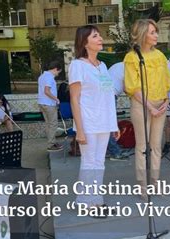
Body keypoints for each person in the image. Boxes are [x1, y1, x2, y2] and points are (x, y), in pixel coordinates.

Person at [68, 25, 119, 217]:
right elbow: (75, 99)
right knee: (89, 163)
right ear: (84, 42)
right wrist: (79, 130)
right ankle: (86, 202)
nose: (100, 39)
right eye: (95, 36)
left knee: (99, 163)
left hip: (104, 122)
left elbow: (107, 96)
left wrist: (113, 124)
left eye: (99, 35)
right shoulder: (77, 66)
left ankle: (95, 201)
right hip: (88, 122)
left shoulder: (102, 66)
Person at [124, 19, 170, 200]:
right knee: (142, 146)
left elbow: (167, 81)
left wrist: (165, 101)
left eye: (156, 32)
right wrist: (151, 107)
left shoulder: (160, 55)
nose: (156, 35)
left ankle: (155, 181)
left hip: (160, 104)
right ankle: (142, 185)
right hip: (141, 105)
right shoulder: (131, 57)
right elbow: (133, 86)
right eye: (152, 32)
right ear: (143, 34)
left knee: (156, 146)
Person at [107, 62, 130, 161]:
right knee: (110, 125)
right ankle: (115, 152)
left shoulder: (118, 65)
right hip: (110, 95)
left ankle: (114, 150)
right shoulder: (128, 68)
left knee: (109, 124)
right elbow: (127, 88)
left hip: (106, 94)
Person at [38, 61, 63, 151]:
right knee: (53, 124)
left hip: (42, 103)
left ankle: (51, 142)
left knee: (49, 124)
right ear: (55, 69)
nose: (57, 74)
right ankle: (51, 144)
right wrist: (56, 99)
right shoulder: (49, 77)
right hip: (49, 104)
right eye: (58, 72)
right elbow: (46, 91)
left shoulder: (42, 76)